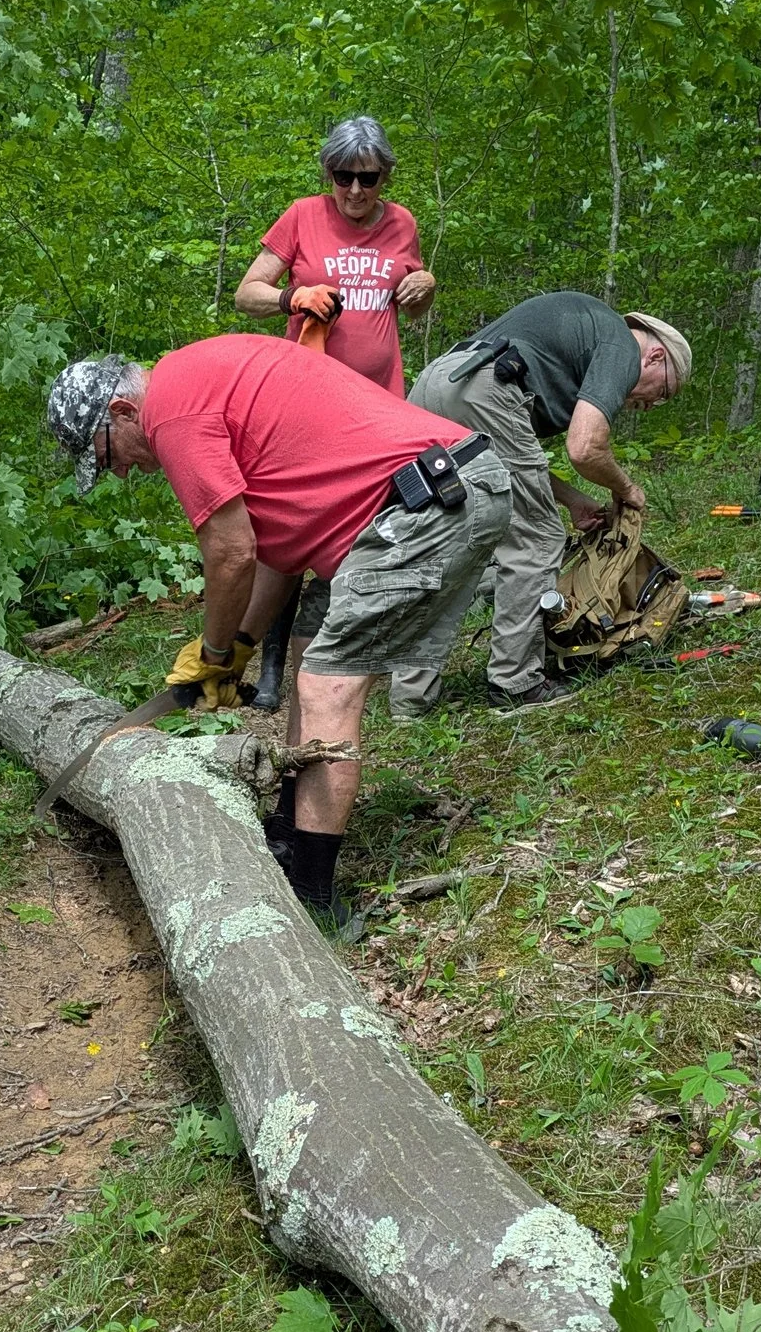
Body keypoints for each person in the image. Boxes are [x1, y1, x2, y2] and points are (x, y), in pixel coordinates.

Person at [44, 336, 510, 936]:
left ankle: (314, 898)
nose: (122, 471)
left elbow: (230, 552)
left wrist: (213, 656)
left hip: (430, 499)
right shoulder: (204, 383)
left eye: (108, 457)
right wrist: (238, 645)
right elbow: (272, 557)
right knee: (312, 665)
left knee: (327, 686)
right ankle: (291, 838)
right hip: (424, 494)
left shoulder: (173, 411)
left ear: (122, 411)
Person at [390, 294, 691, 714]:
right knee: (536, 540)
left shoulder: (583, 341)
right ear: (656, 356)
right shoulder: (622, 346)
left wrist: (572, 499)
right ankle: (515, 683)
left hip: (437, 383)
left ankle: (410, 696)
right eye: (664, 392)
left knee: (455, 545)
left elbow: (509, 457)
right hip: (485, 386)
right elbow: (585, 448)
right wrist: (627, 489)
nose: (652, 404)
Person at [234, 115, 436, 399]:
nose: (355, 191)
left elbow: (413, 310)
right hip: (310, 391)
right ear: (330, 173)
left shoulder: (402, 223)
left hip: (380, 396)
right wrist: (294, 298)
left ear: (384, 176)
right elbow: (245, 296)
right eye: (344, 177)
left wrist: (426, 285)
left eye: (367, 179)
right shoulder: (303, 215)